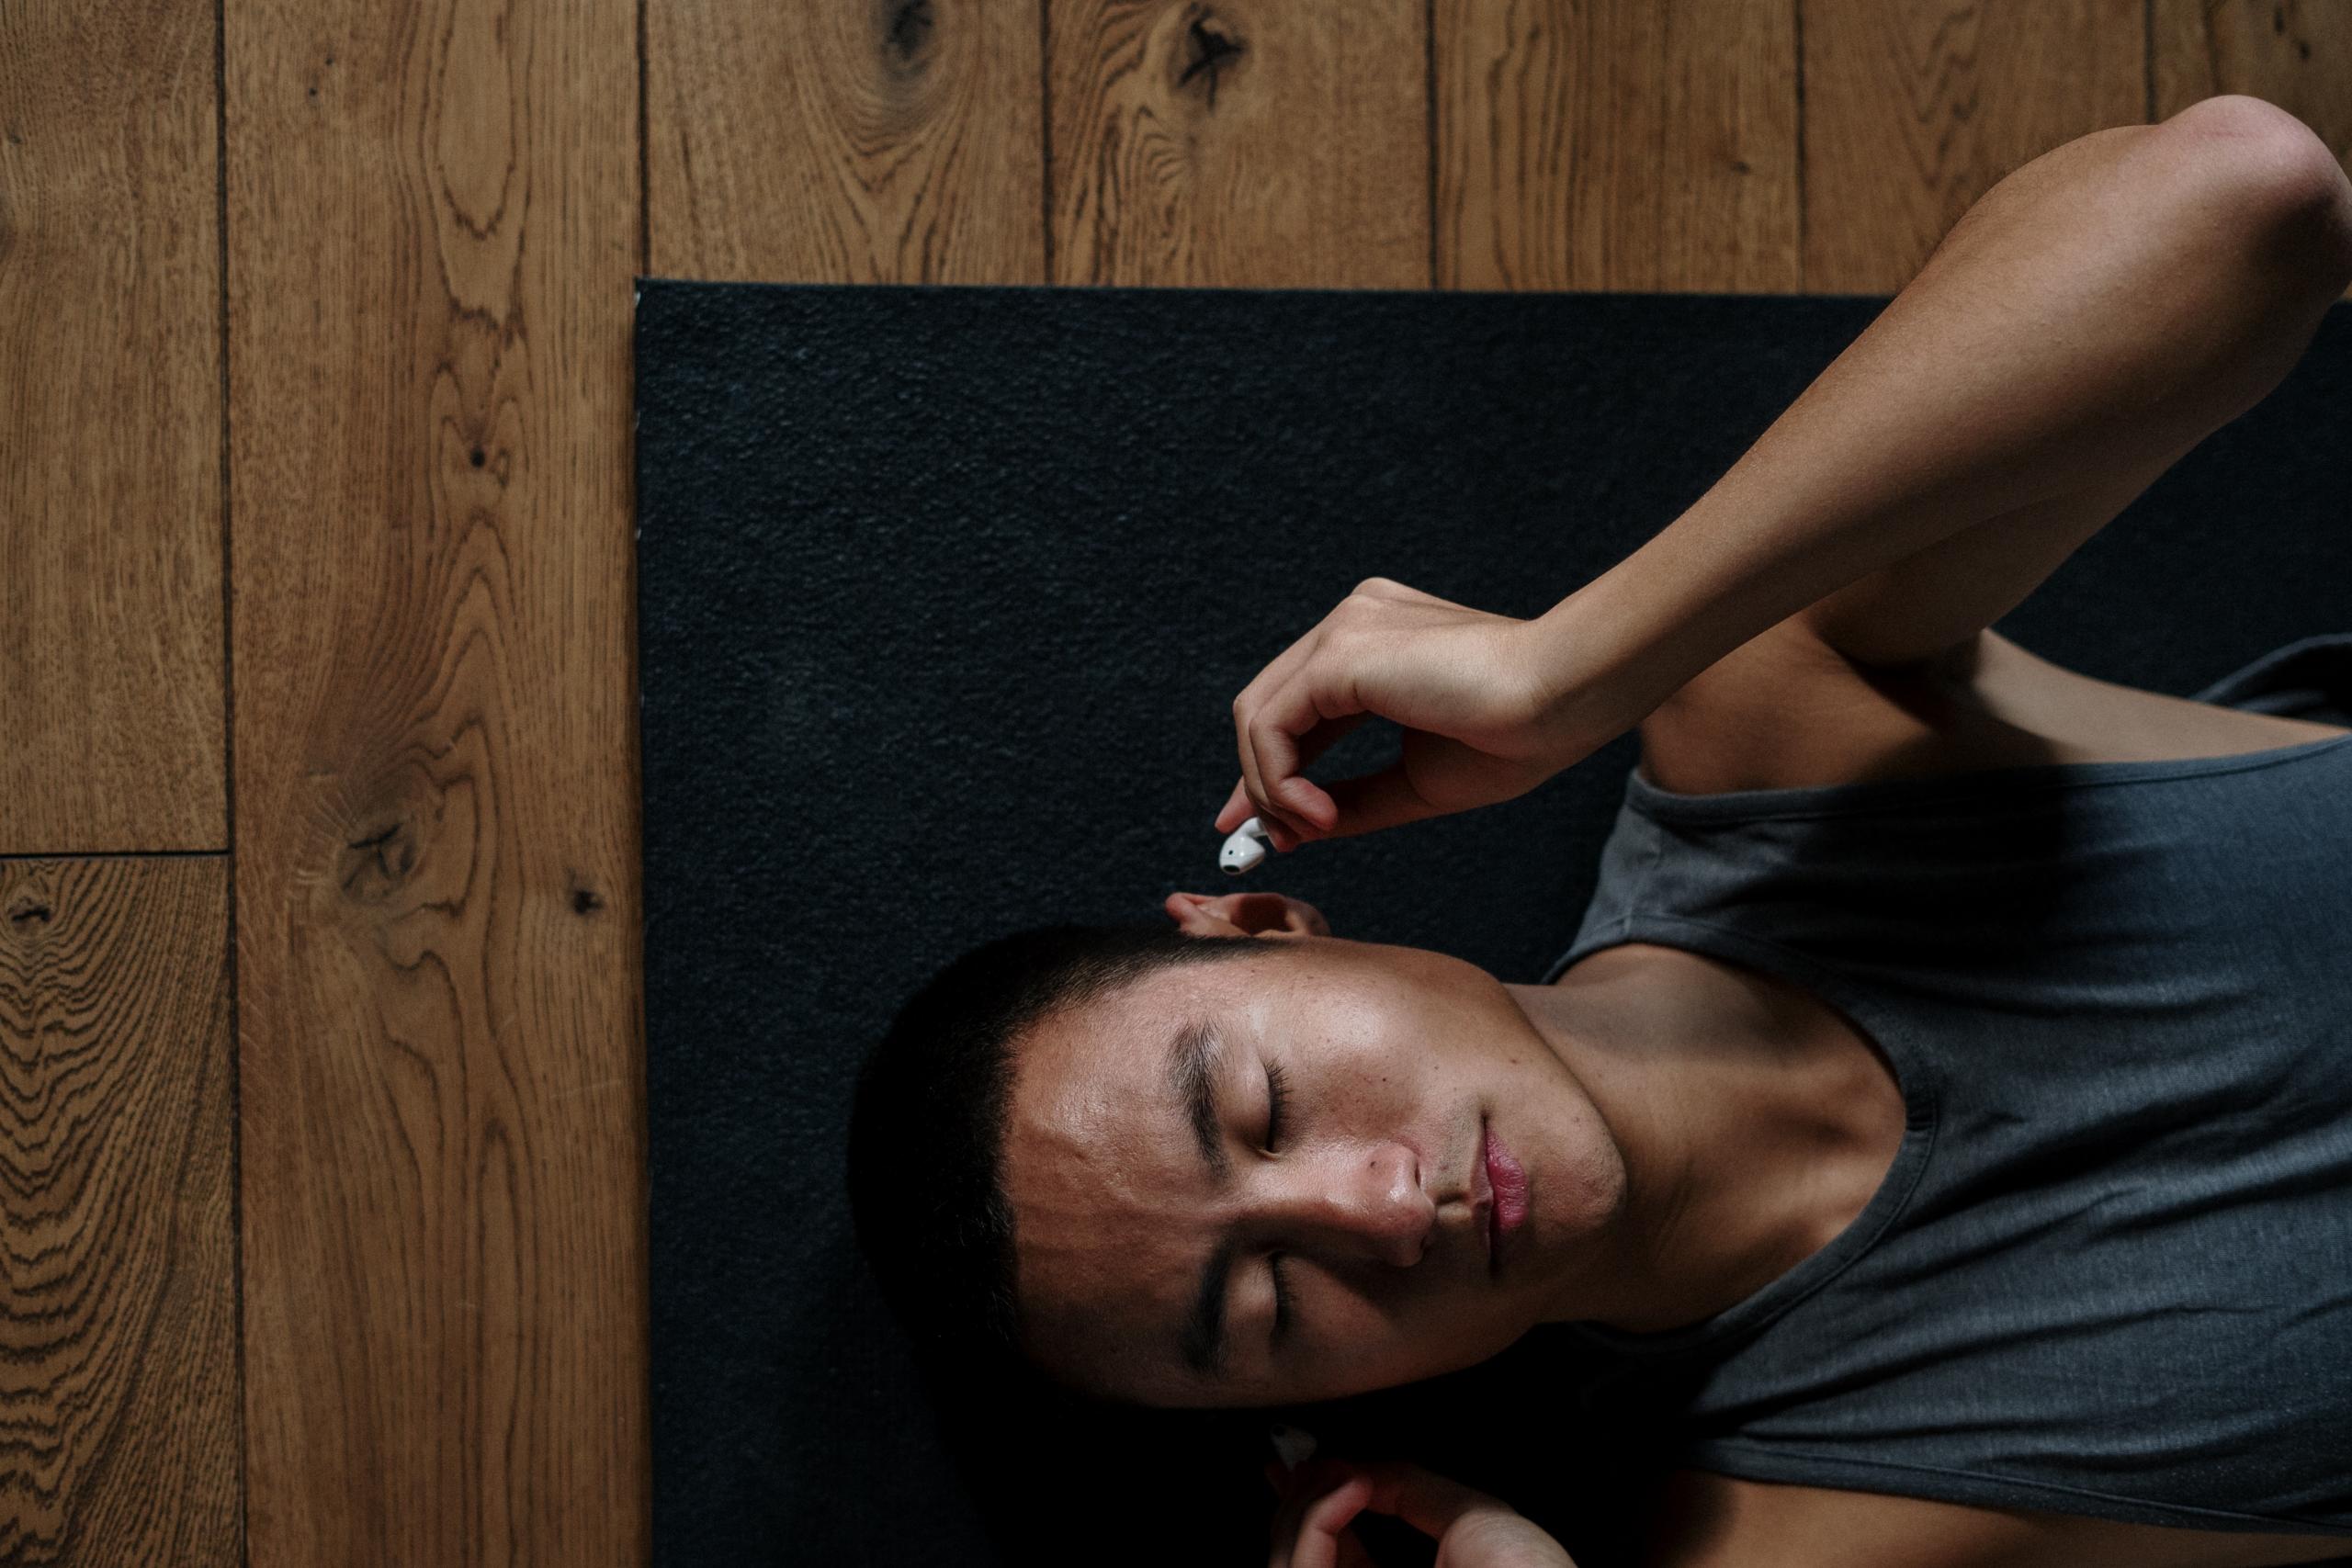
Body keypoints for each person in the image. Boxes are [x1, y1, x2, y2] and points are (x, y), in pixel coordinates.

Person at [847, 96, 2352, 1568]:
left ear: (1263, 923)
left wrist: (1577, 663)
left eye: (1261, 1108)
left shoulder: (1781, 740)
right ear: (1316, 1415)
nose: (1379, 1210)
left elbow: (2255, 198)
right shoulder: (1801, 1522)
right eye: (1268, 1311)